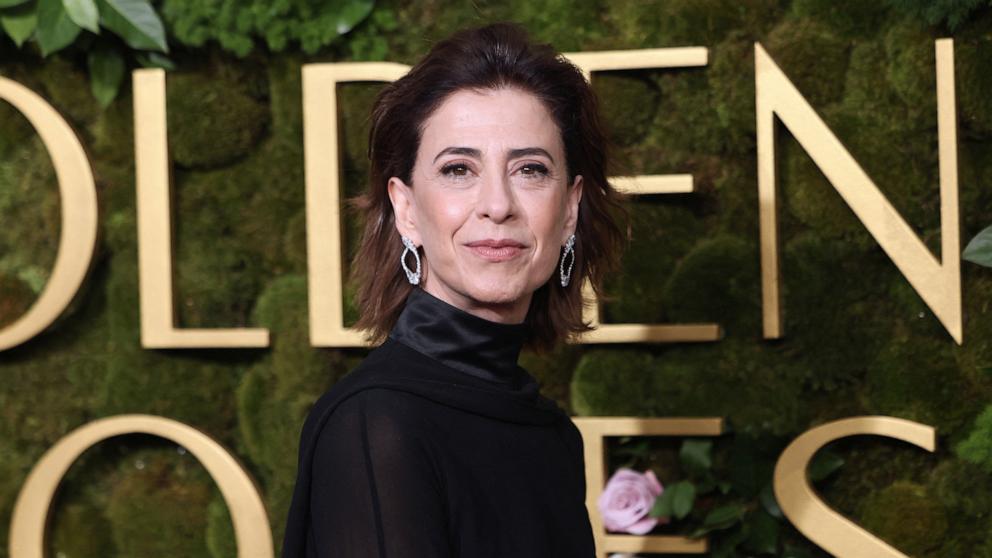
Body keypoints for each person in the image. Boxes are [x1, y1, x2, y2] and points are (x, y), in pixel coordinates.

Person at [281, 21, 628, 558]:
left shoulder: (553, 436)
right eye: (459, 169)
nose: (497, 204)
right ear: (406, 209)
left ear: (570, 210)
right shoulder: (376, 425)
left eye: (530, 169)